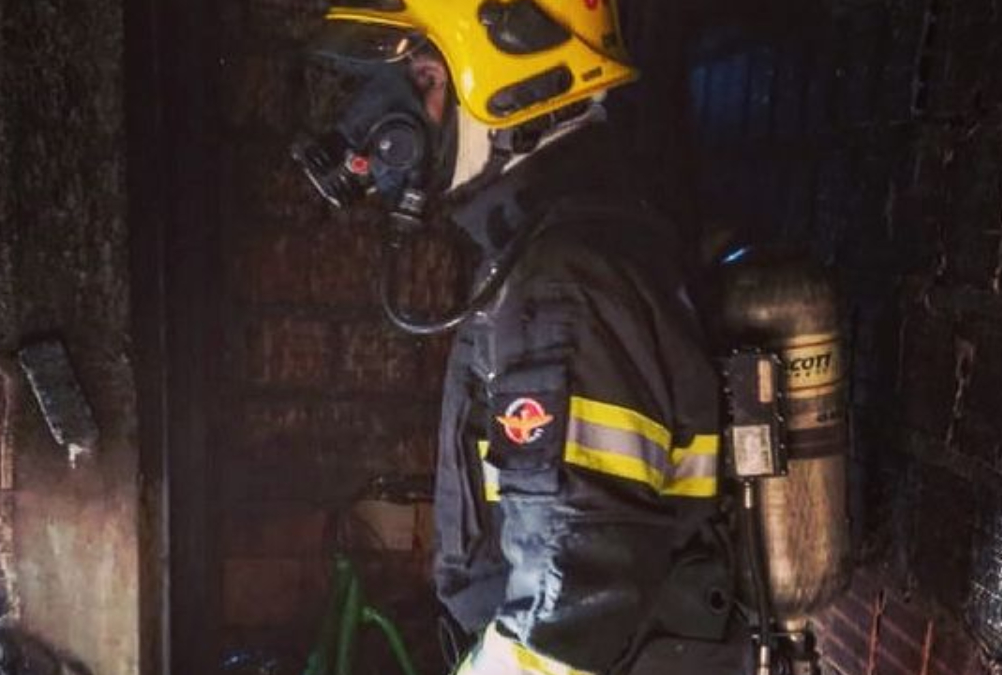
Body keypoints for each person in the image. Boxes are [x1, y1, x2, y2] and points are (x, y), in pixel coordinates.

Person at [291, 2, 748, 673]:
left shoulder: (564, 284)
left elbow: (572, 610)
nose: (381, 123)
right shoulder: (546, 255)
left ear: (513, 63)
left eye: (422, 74)